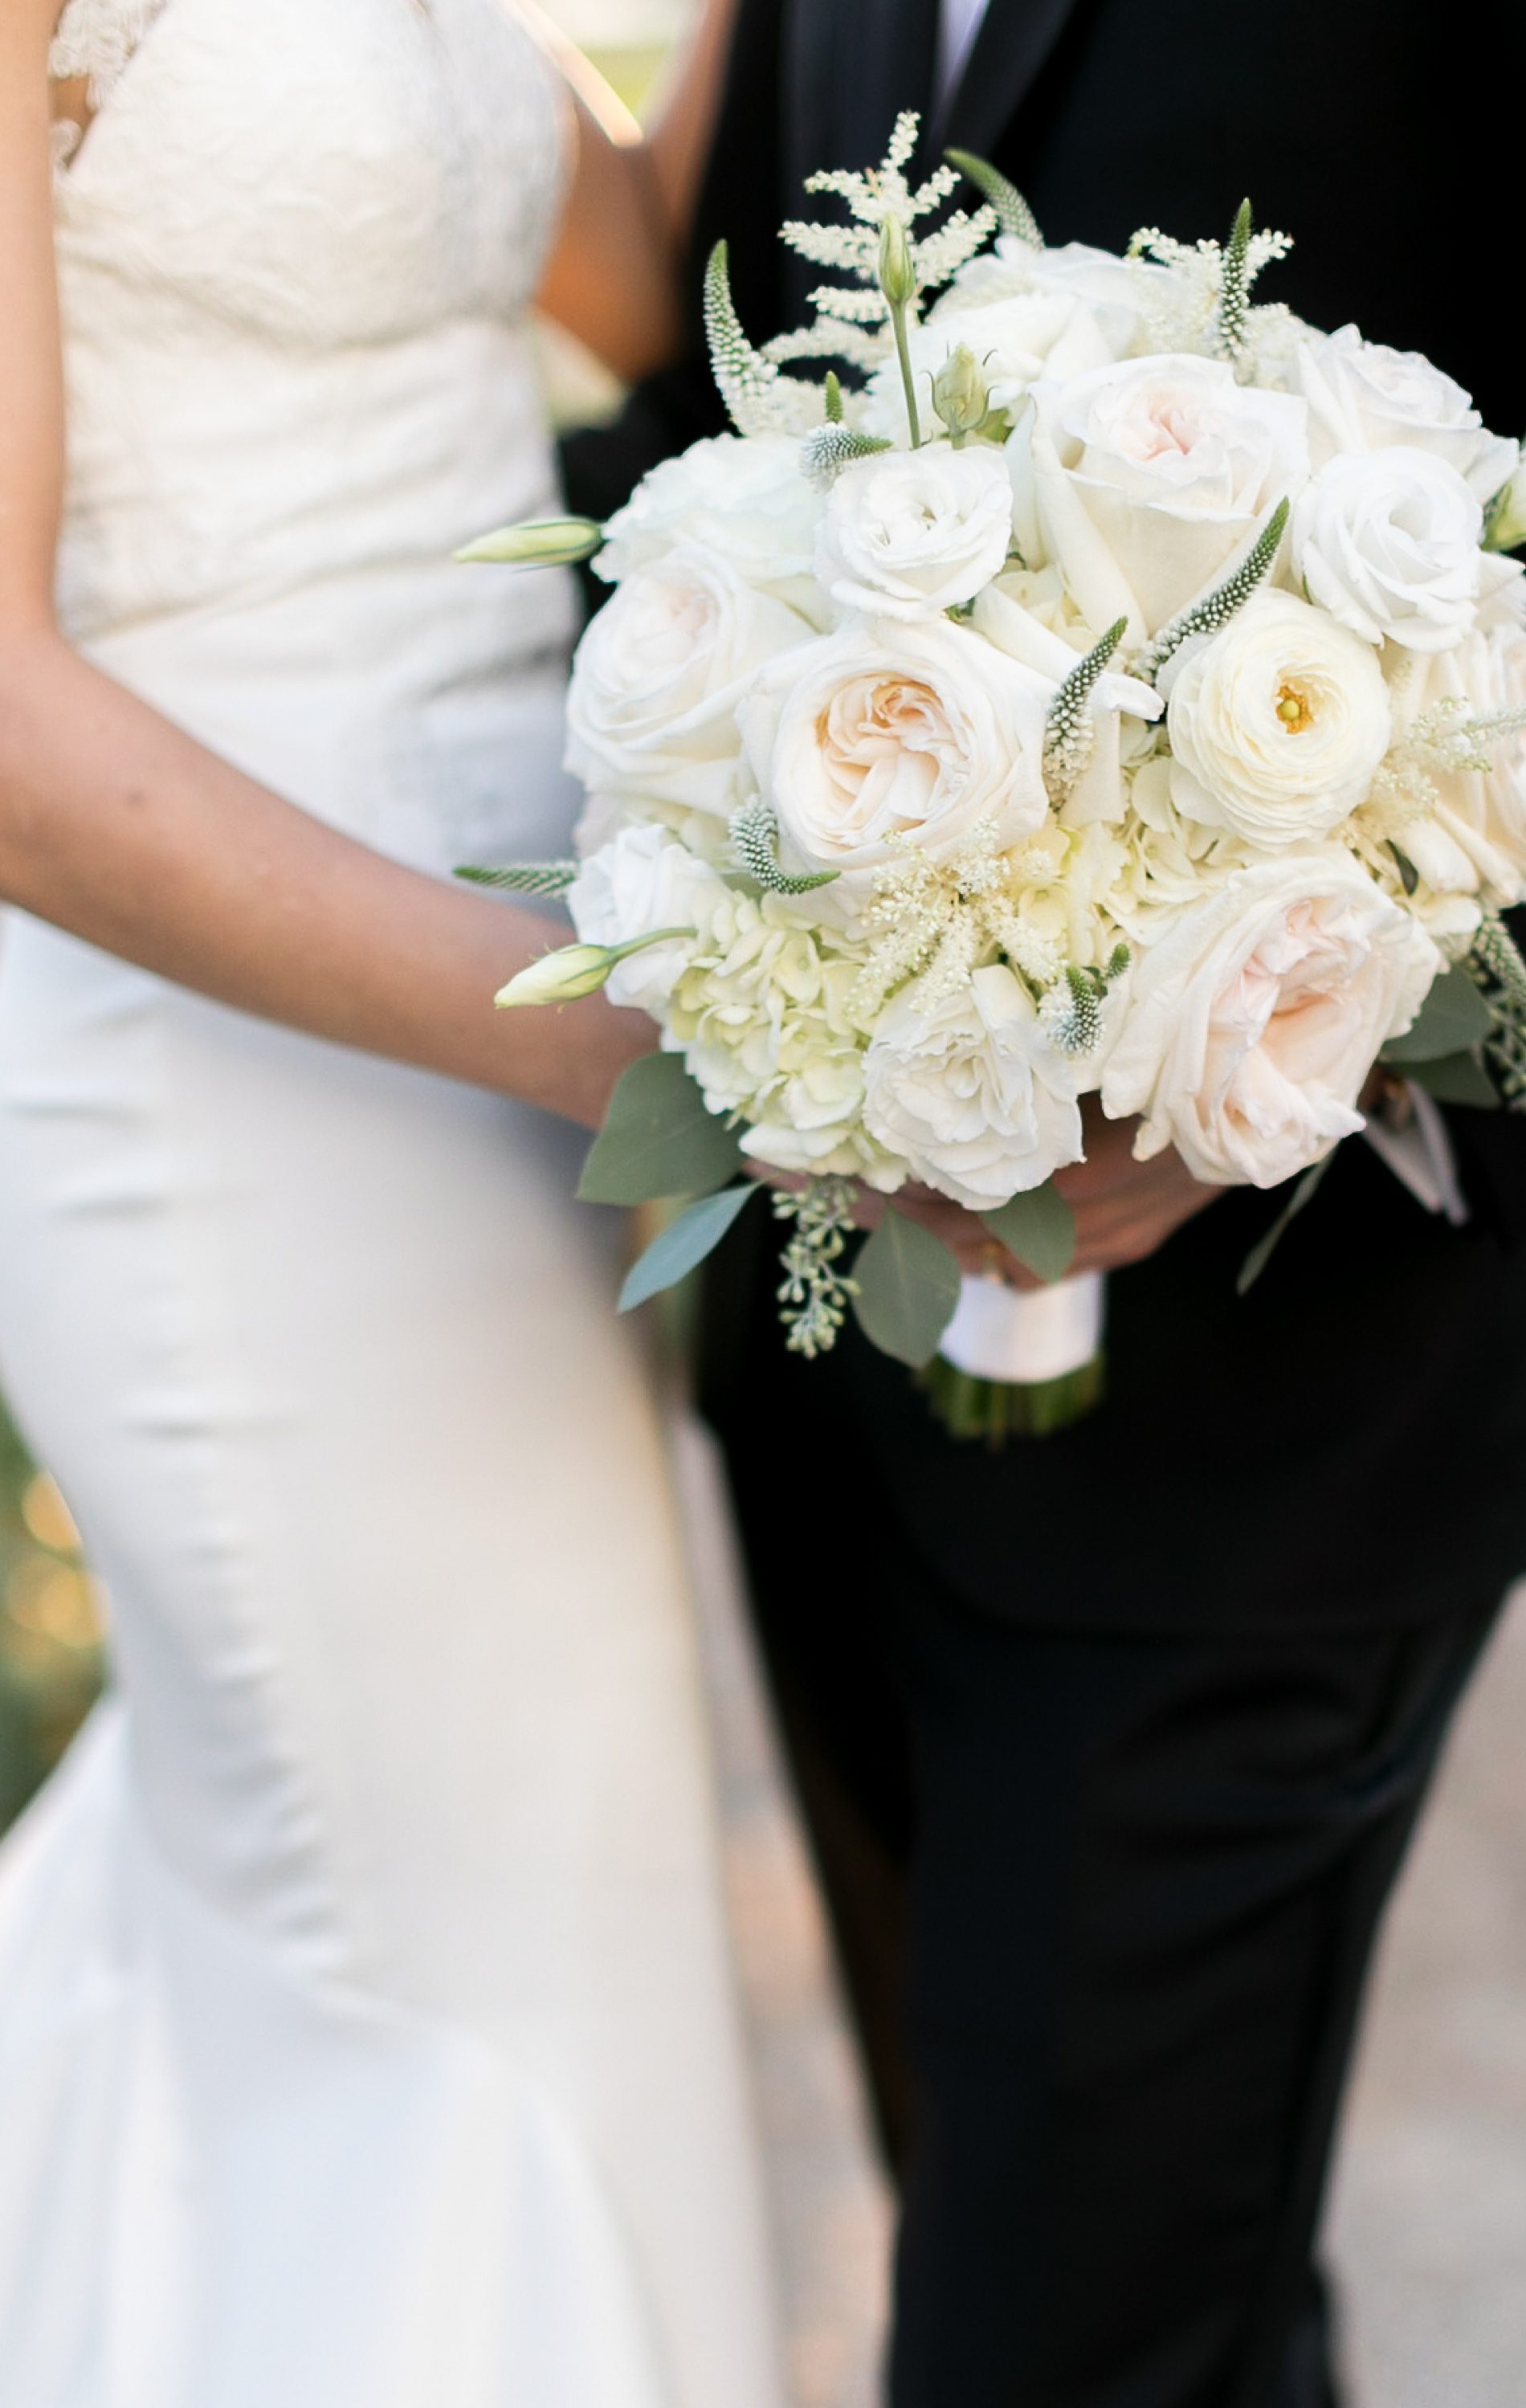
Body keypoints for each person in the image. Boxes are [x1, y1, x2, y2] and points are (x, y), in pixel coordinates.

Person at [565, 0, 1526, 2400]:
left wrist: (1316, 1038)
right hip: (843, 1363)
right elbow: (737, 357)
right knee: (1102, 2269)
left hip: (1294, 1412)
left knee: (1059, 2345)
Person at [0, 4, 787, 2404]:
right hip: (234, 1057)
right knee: (455, 1945)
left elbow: (636, 276)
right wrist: (598, 1025)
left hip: (515, 985)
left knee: (536, 1901)